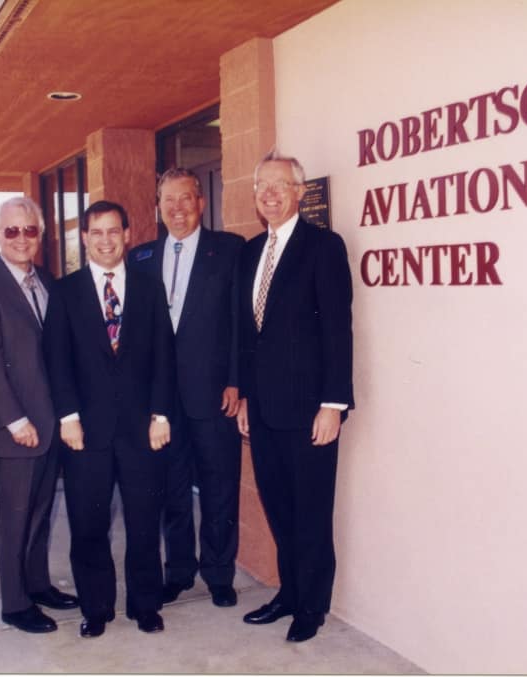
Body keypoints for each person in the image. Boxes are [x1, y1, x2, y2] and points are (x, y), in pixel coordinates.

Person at [42, 200, 175, 638]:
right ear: (84, 238)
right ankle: (95, 608)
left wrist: (160, 414)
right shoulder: (64, 292)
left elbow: (164, 357)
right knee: (88, 524)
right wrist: (68, 417)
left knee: (143, 521)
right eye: (96, 232)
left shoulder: (149, 287)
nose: (105, 240)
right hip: (86, 432)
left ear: (127, 233)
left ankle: (146, 606)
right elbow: (57, 361)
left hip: (141, 430)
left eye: (113, 231)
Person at [236, 151, 354, 643]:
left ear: (299, 192)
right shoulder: (250, 252)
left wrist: (334, 403)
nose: (269, 192)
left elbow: (337, 330)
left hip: (310, 410)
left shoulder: (323, 247)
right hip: (262, 410)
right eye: (262, 185)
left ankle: (312, 607)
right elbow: (247, 333)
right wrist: (243, 397)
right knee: (279, 506)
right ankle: (289, 593)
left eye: (279, 185)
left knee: (310, 510)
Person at [127, 168, 243, 608]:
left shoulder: (230, 250)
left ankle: (218, 573)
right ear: (158, 208)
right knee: (171, 487)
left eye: (185, 199)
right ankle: (178, 571)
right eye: (168, 201)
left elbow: (239, 323)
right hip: (159, 399)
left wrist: (235, 379)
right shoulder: (139, 258)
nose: (177, 209)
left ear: (201, 202)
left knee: (219, 484)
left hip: (214, 392)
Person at [0, 197, 78, 634]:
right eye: (11, 231)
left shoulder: (47, 281)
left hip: (50, 423)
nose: (20, 239)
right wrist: (16, 421)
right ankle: (14, 604)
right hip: (17, 428)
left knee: (40, 511)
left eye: (29, 230)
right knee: (15, 517)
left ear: (41, 234)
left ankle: (37, 585)